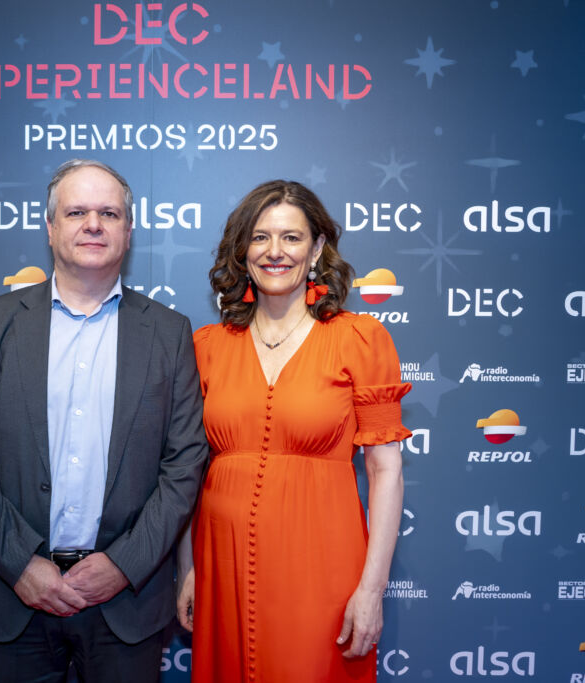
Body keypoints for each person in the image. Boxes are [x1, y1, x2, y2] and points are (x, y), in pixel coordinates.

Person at [0, 159, 209, 683]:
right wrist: (20, 563)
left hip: (125, 603)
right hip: (13, 595)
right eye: (76, 212)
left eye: (109, 213)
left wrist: (125, 564)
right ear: (50, 227)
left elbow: (184, 462)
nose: (93, 224)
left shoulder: (170, 333)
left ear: (128, 231)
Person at [177, 180, 410, 682]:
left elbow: (386, 471)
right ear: (242, 250)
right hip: (222, 567)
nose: (275, 252)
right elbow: (186, 471)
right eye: (260, 237)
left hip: (322, 565)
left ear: (318, 248)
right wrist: (188, 568)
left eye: (291, 237)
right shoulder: (207, 347)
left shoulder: (359, 339)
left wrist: (372, 590)